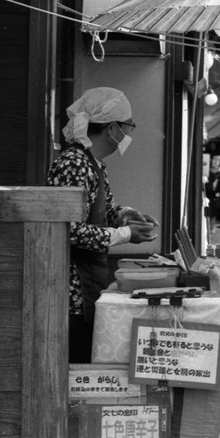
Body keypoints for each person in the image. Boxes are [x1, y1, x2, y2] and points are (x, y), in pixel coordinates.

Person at [44, 87, 159, 363]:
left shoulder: (94, 162)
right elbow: (69, 229)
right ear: (112, 128)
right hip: (70, 289)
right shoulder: (74, 162)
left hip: (86, 282)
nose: (130, 133)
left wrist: (128, 215)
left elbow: (104, 209)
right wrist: (125, 234)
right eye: (128, 126)